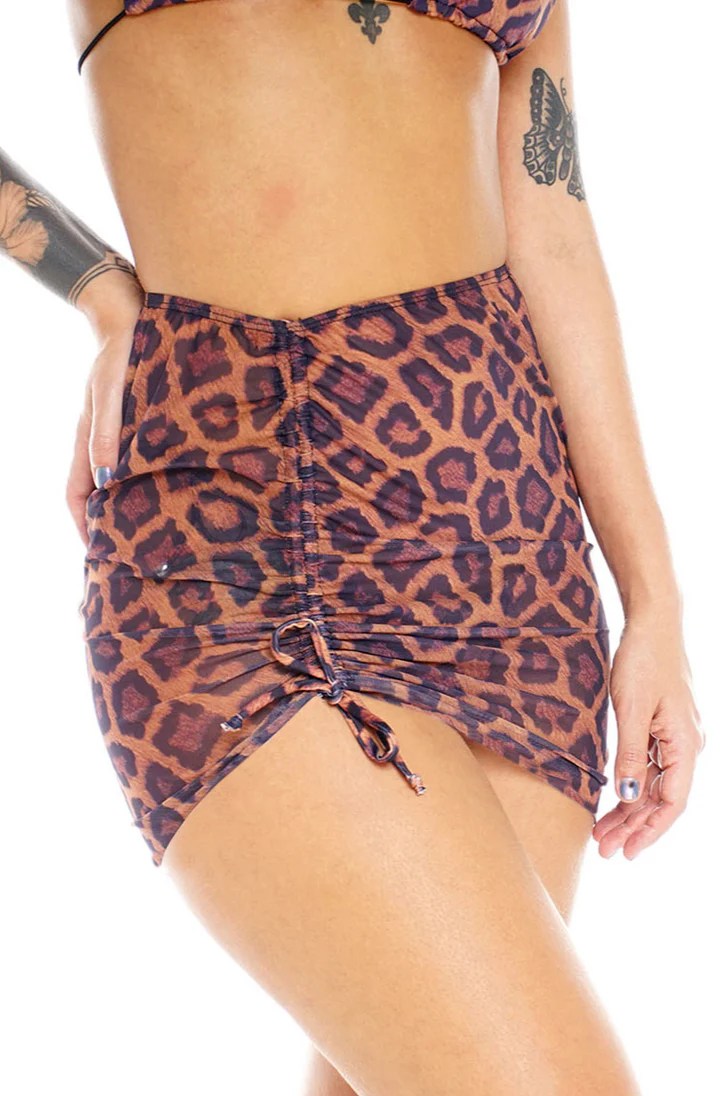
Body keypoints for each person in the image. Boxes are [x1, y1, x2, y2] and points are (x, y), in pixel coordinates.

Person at [1, 1, 705, 1092]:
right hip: (245, 538)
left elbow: (556, 232)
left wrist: (654, 600)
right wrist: (97, 289)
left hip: (515, 563)